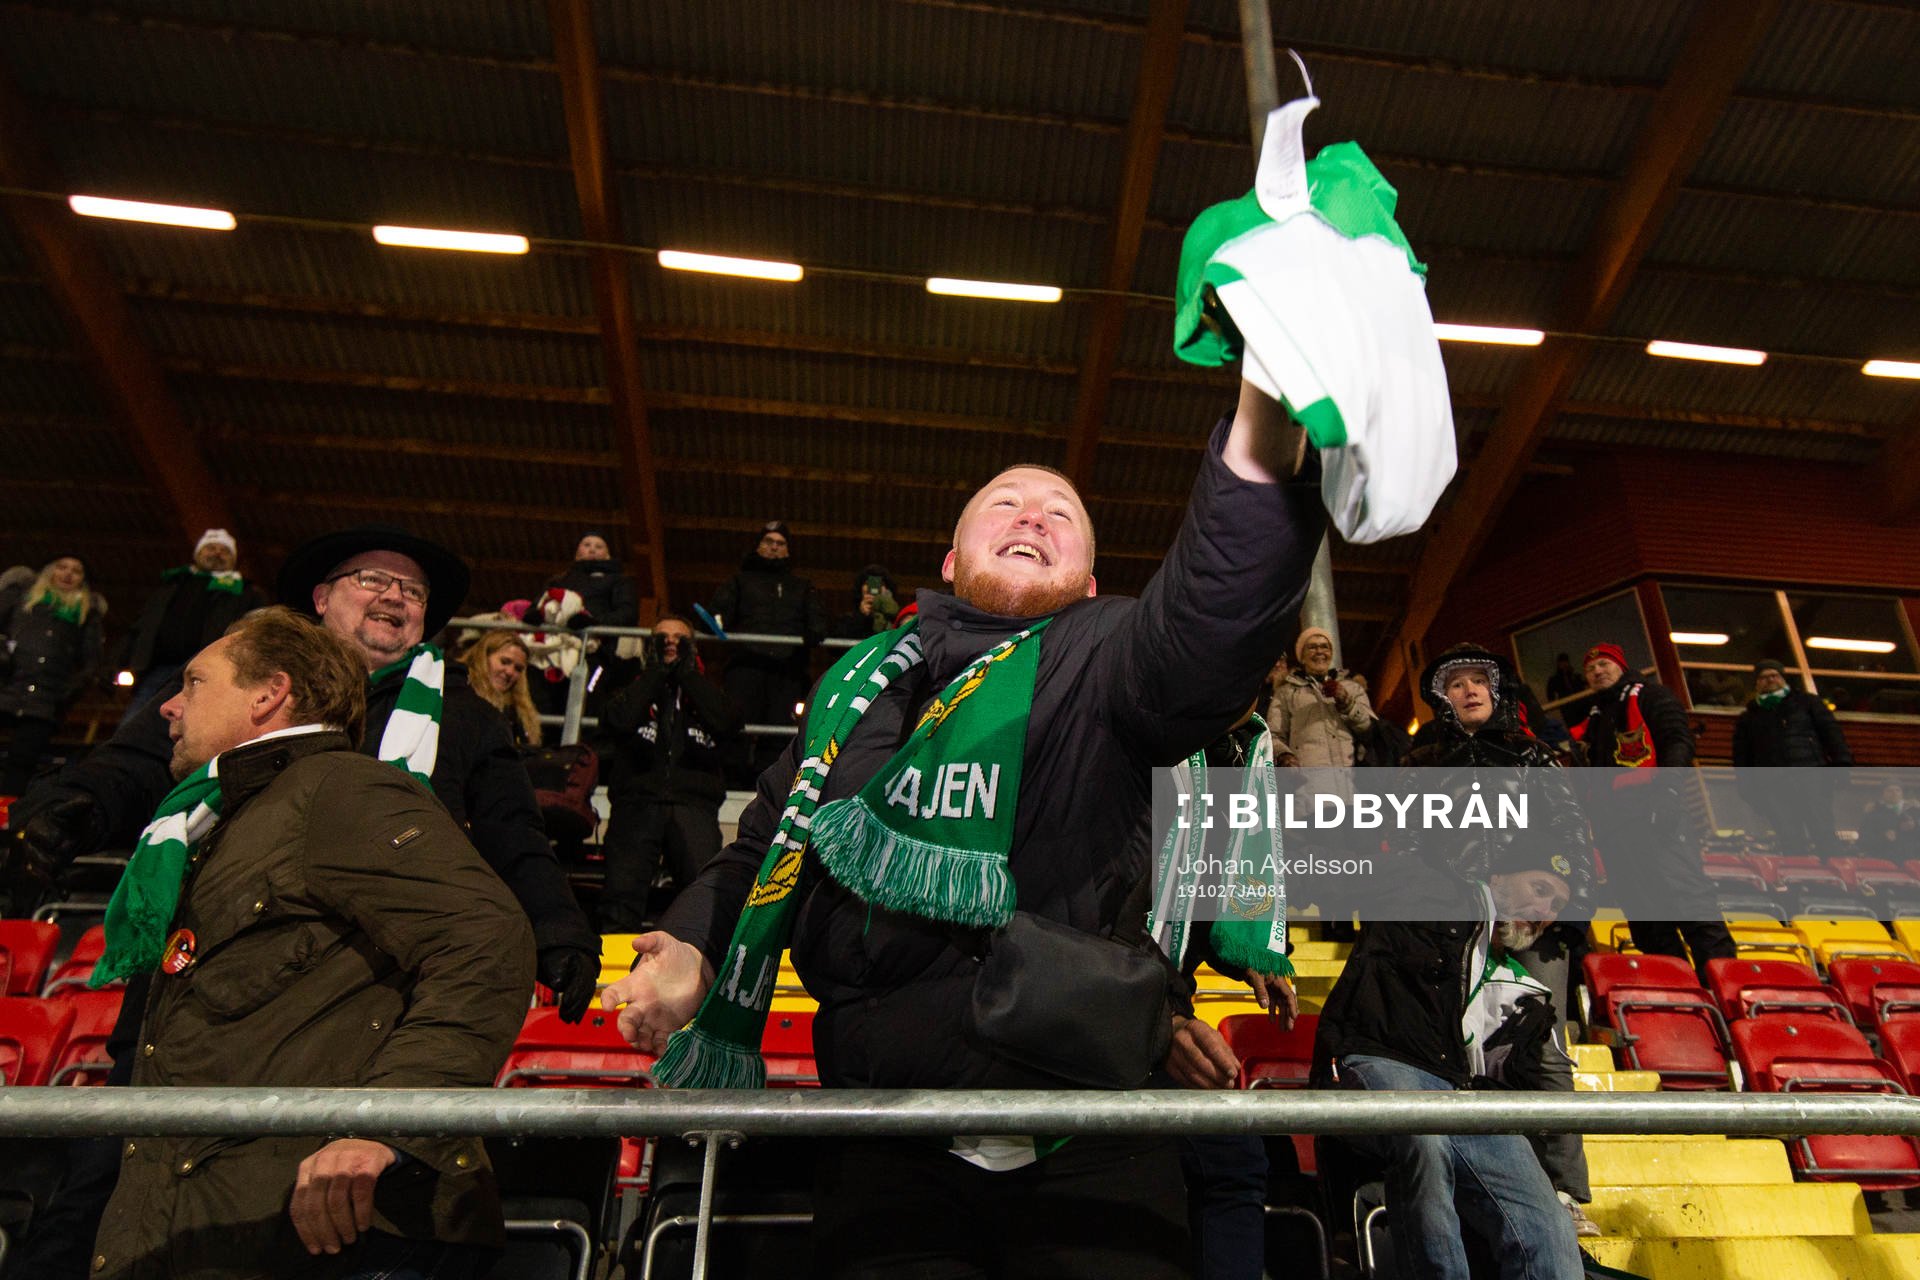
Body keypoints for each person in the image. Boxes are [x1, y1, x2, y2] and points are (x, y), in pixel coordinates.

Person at [602, 378, 1326, 1277]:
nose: (1033, 516)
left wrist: (1261, 439)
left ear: (1090, 582)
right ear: (951, 560)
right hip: (885, 1157)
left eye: (1061, 512)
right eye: (1007, 502)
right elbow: (761, 850)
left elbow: (1213, 623)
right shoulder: (854, 696)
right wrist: (689, 941)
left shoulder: (1107, 658)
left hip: (1093, 1158)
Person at [90, 606, 534, 1279]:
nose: (169, 707)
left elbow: (485, 936)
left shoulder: (338, 789)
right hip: (231, 1227)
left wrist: (382, 1126)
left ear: (269, 694)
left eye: (195, 682)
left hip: (333, 1234)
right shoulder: (228, 822)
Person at [4, 525, 598, 1011]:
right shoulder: (246, 672)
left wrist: (558, 930)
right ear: (321, 598)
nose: (396, 597)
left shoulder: (466, 716)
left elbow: (512, 833)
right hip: (206, 964)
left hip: (364, 988)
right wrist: (76, 801)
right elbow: (143, 759)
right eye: (373, 580)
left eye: (413, 592)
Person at [1312, 847, 1589, 1280]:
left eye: (1556, 906)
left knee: (1543, 1209)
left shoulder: (1524, 990)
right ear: (1498, 876)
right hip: (1378, 1057)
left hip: (1461, 1092)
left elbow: (1528, 1086)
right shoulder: (1427, 890)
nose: (1544, 911)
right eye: (1539, 889)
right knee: (1424, 1137)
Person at [1402, 643, 1599, 1238]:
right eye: (1454, 683)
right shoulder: (1423, 765)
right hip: (1459, 930)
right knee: (1459, 1055)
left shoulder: (1533, 757)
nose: (1468, 690)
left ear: (1496, 691)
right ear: (1442, 699)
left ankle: (1562, 1190)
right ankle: (1487, 1193)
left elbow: (1573, 839)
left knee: (1542, 1053)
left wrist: (1556, 898)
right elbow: (1412, 849)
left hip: (1533, 929)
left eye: (1477, 681)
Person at [1571, 642, 1732, 978]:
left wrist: (1669, 791)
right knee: (1645, 916)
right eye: (1590, 668)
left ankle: (1723, 983)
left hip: (1656, 815)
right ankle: (1676, 989)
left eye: (1604, 664)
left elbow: (1678, 740)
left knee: (1689, 902)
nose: (1597, 671)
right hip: (1615, 828)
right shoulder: (1594, 719)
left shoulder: (1651, 695)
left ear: (1621, 665)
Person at [594, 613, 741, 931]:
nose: (671, 644)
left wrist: (687, 676)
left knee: (704, 894)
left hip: (694, 803)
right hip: (637, 800)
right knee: (621, 896)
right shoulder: (631, 683)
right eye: (663, 639)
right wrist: (657, 672)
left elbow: (729, 724)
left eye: (680, 639)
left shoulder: (707, 690)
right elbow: (616, 721)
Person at [703, 520, 832, 786]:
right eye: (768, 542)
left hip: (787, 668)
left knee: (780, 732)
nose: (774, 548)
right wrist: (714, 621)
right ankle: (731, 780)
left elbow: (817, 618)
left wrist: (815, 628)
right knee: (738, 722)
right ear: (759, 546)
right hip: (747, 663)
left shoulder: (801, 586)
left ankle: (773, 785)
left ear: (787, 550)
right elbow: (719, 612)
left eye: (780, 543)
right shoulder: (740, 581)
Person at [111, 528, 268, 712]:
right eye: (211, 548)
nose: (217, 553)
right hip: (157, 670)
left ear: (233, 559)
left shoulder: (246, 593)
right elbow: (142, 625)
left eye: (224, 550)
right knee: (138, 720)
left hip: (209, 672)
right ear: (198, 553)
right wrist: (120, 663)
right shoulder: (171, 585)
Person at [0, 556, 106, 796]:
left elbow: (92, 661)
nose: (68, 574)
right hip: (6, 687)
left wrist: (66, 693)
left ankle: (4, 822)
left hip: (44, 701)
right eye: (62, 567)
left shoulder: (86, 614)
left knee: (21, 764)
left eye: (76, 571)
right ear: (49, 571)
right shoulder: (19, 597)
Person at [1733, 658, 1853, 854]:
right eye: (1763, 677)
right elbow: (1742, 757)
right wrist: (1746, 788)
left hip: (1811, 777)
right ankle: (1799, 878)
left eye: (1774, 675)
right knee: (1789, 837)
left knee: (1822, 831)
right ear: (1757, 683)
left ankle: (1834, 876)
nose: (1769, 680)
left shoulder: (1808, 703)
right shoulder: (1748, 718)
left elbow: (1831, 733)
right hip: (1773, 784)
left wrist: (1842, 764)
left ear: (1783, 678)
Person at [530, 532, 641, 719]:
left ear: (607, 555)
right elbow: (537, 607)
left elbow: (628, 613)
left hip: (595, 652)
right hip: (551, 650)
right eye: (587, 544)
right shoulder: (558, 581)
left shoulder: (619, 581)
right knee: (543, 701)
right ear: (577, 552)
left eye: (599, 546)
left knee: (585, 701)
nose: (592, 549)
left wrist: (594, 623)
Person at [1267, 627, 1374, 768]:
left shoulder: (1352, 688)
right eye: (1312, 647)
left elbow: (1368, 729)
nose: (1319, 651)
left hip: (1351, 780)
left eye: (1325, 646)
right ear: (1302, 657)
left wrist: (1347, 702)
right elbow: (1273, 735)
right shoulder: (1286, 693)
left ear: (1331, 653)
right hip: (1307, 783)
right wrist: (1284, 755)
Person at [462, 629, 542, 746]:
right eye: (505, 662)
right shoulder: (460, 691)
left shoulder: (517, 712)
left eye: (518, 669)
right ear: (483, 657)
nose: (510, 672)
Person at [832, 564, 901, 640]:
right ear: (860, 588)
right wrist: (861, 617)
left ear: (888, 590)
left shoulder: (898, 618)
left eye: (880, 584)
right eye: (867, 583)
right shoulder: (847, 620)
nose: (873, 589)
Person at [1859, 783, 1917, 859]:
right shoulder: (1874, 813)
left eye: (1897, 790)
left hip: (1911, 859)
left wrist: (1915, 826)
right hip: (1883, 859)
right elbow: (1864, 840)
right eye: (1889, 790)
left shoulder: (1914, 811)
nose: (1894, 793)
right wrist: (1883, 837)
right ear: (1883, 794)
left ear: (1902, 793)